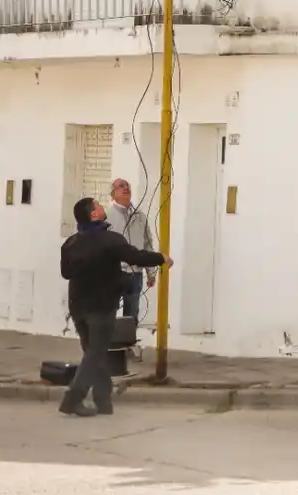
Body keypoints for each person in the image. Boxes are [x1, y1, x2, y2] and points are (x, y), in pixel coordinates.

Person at [58, 196, 171, 417]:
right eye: (99, 206)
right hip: (101, 307)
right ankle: (73, 399)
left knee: (94, 354)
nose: (103, 207)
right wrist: (161, 258)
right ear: (94, 214)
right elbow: (135, 256)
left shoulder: (70, 243)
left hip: (78, 307)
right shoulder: (110, 240)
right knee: (95, 354)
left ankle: (103, 402)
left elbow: (66, 273)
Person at [104, 177, 153, 320]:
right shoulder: (107, 217)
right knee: (108, 311)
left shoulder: (140, 217)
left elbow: (147, 244)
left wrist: (151, 272)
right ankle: (107, 341)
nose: (126, 188)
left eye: (127, 185)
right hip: (114, 273)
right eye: (120, 186)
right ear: (113, 194)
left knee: (132, 315)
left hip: (135, 274)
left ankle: (128, 340)